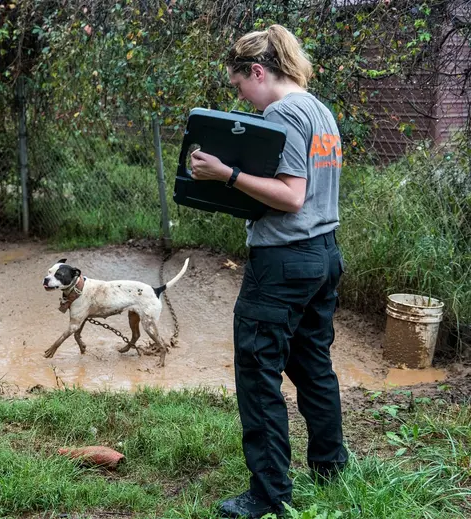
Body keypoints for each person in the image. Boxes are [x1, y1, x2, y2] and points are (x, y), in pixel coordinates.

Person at [190, 24, 349, 518]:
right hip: (323, 254)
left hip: (283, 262)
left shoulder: (282, 112)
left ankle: (268, 493)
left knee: (258, 374)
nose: (243, 97)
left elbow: (291, 195)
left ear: (258, 71)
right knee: (312, 367)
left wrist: (227, 174)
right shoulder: (319, 110)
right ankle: (330, 468)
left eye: (240, 85)